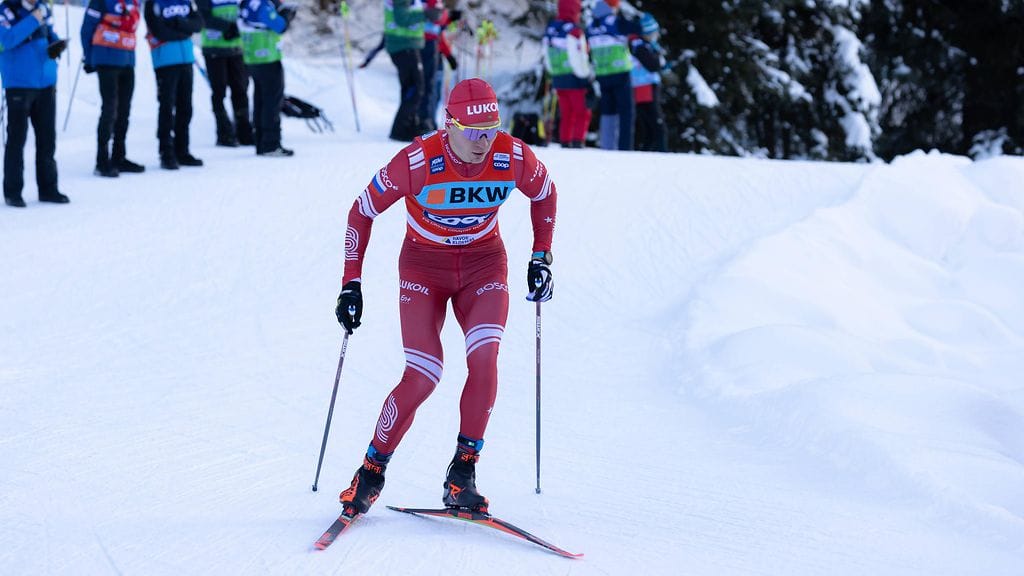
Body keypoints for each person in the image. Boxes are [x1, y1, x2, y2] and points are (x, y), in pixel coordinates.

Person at [332, 78, 557, 518]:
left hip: (483, 265)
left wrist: (541, 256)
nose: (483, 141)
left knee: (485, 358)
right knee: (424, 373)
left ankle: (462, 474)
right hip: (424, 268)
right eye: (473, 131)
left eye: (491, 129)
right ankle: (371, 472)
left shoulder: (512, 156)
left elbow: (545, 194)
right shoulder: (417, 161)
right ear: (448, 124)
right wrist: (351, 282)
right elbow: (362, 210)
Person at [1, 0, 68, 207]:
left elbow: (47, 33)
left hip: (46, 82)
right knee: (17, 140)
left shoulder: (42, 8)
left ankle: (48, 188)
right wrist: (33, 19)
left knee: (47, 138)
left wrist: (56, 44)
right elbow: (7, 39)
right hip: (20, 83)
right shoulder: (6, 10)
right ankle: (13, 192)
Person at [81, 0, 146, 177]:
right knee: (110, 109)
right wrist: (88, 57)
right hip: (107, 58)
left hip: (127, 59)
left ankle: (119, 156)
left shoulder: (133, 2)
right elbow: (87, 27)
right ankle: (102, 160)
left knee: (124, 110)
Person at [144, 0, 204, 169]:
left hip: (186, 58)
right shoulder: (154, 2)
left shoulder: (186, 1)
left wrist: (179, 24)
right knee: (166, 107)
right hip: (165, 60)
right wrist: (185, 31)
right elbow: (158, 30)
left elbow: (198, 24)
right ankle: (166, 152)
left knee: (186, 107)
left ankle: (182, 150)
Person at [238, 0, 296, 156]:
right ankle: (270, 144)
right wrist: (286, 15)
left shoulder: (247, 3)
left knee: (260, 101)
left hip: (252, 58)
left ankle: (261, 142)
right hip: (267, 57)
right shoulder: (261, 4)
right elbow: (279, 26)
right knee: (272, 101)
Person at [586, 0, 642, 151]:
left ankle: (607, 147)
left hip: (602, 74)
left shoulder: (591, 26)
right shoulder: (616, 22)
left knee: (608, 112)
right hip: (621, 73)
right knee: (626, 113)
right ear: (613, 7)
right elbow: (639, 28)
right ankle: (625, 148)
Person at [197, 0, 254, 147]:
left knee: (240, 89)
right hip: (214, 49)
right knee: (219, 91)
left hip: (236, 48)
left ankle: (244, 132)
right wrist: (227, 26)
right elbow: (203, 17)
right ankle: (224, 133)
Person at [543, 0, 591, 149]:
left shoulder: (550, 29)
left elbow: (545, 54)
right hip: (575, 78)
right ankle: (577, 141)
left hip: (558, 76)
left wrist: (553, 73)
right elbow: (580, 57)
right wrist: (585, 76)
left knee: (566, 113)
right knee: (582, 112)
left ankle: (565, 141)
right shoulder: (574, 30)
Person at [384, 0, 427, 141]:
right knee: (416, 87)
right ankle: (400, 129)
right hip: (403, 45)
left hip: (407, 45)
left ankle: (408, 126)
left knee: (411, 87)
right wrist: (426, 14)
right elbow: (402, 19)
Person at [630, 12, 667, 152]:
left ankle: (648, 154)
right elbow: (652, 65)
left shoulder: (642, 45)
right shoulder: (640, 46)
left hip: (644, 88)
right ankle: (662, 154)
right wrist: (659, 60)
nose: (656, 36)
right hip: (644, 89)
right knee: (658, 128)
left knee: (650, 129)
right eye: (654, 33)